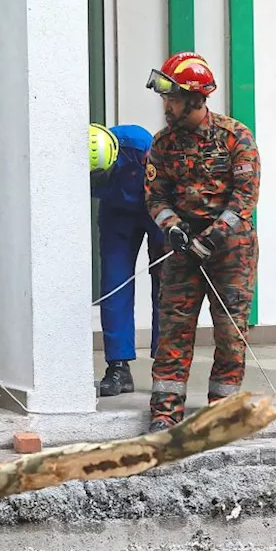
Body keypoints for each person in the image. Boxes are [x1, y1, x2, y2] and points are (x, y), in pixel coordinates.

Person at [144, 52, 261, 433]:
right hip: (180, 252)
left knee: (230, 334)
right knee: (173, 330)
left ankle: (220, 415)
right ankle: (164, 413)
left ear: (196, 99)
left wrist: (211, 237)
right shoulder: (162, 144)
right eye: (165, 98)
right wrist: (173, 226)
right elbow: (155, 195)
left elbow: (244, 199)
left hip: (230, 253)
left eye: (173, 98)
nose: (166, 105)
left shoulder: (235, 137)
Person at [92, 124, 165, 397]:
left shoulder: (137, 144)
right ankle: (118, 367)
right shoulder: (75, 156)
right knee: (114, 285)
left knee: (165, 285)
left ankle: (165, 366)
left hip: (155, 206)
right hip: (116, 214)